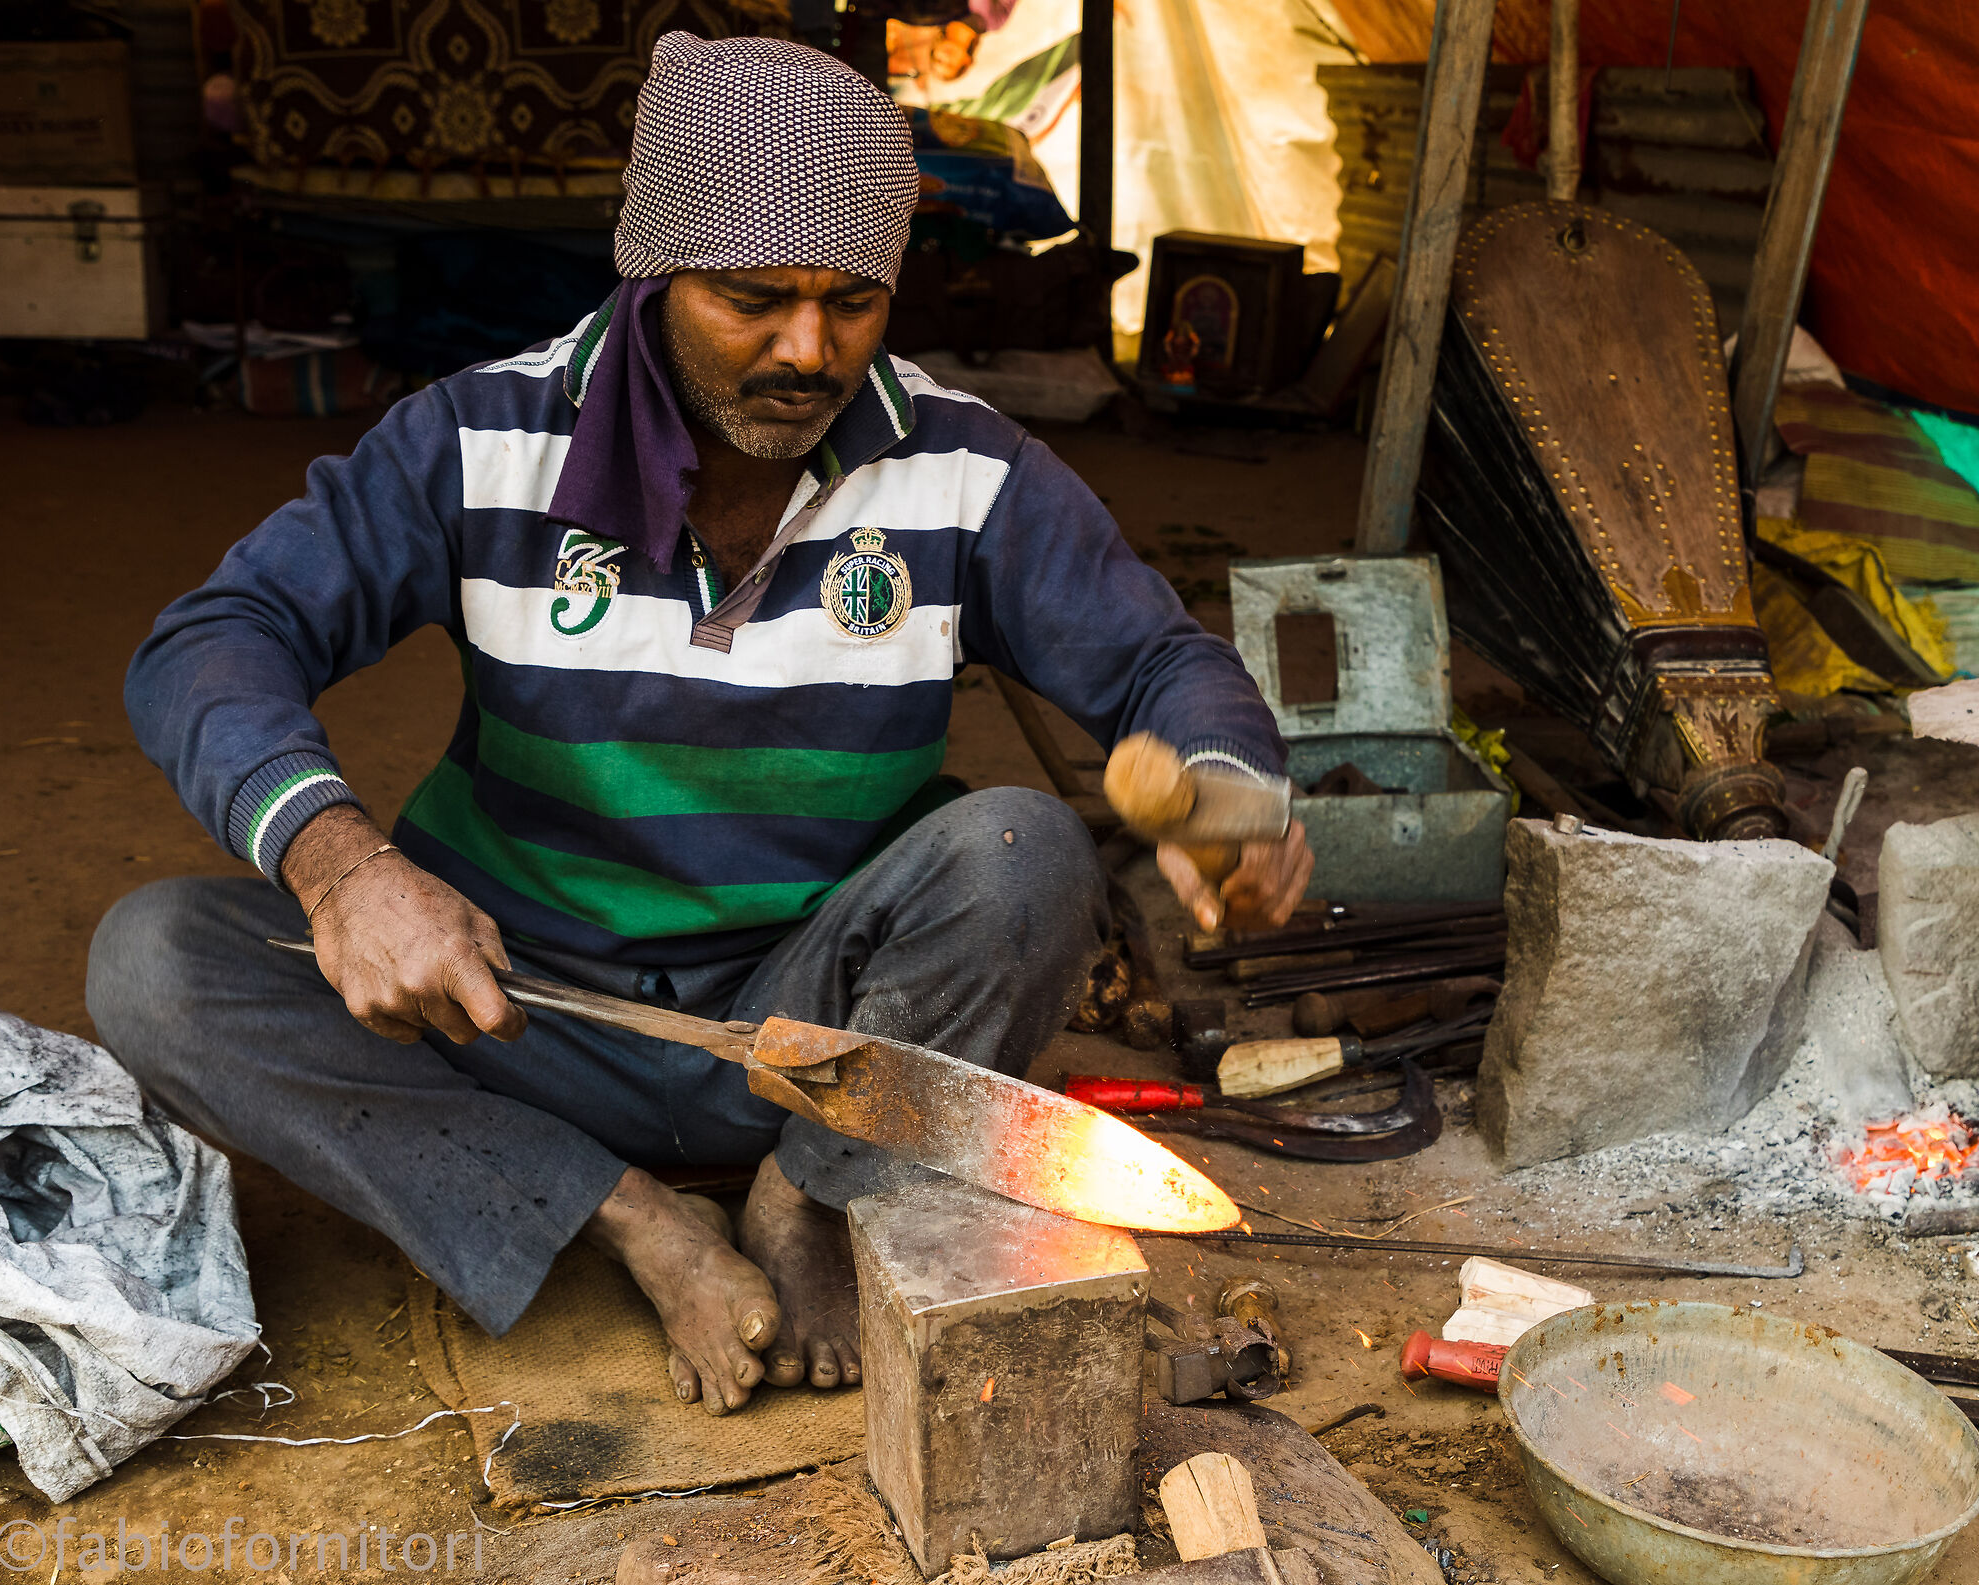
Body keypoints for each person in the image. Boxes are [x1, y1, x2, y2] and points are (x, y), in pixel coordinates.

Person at [88, 34, 1311, 1415]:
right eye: (754, 300)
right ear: (654, 271)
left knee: (1024, 848)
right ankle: (629, 1219)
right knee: (156, 965)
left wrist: (1226, 786)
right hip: (513, 1013)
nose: (810, 349)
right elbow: (212, 639)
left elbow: (1160, 661)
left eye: (854, 302)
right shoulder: (476, 443)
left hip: (817, 1044)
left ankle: (808, 1200)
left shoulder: (966, 469)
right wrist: (344, 868)